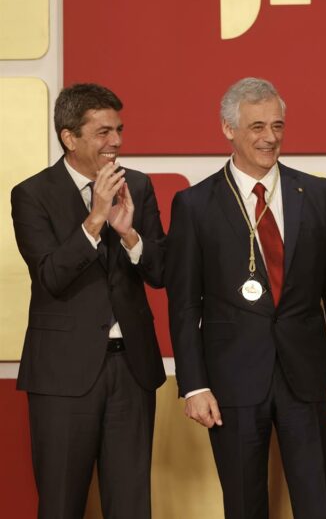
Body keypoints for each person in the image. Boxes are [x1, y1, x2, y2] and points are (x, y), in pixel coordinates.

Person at [166, 77, 326, 519]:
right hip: (230, 381)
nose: (269, 137)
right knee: (243, 505)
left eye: (277, 125)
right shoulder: (194, 204)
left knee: (321, 504)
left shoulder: (317, 193)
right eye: (256, 127)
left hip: (307, 377)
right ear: (228, 129)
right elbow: (184, 305)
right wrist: (194, 384)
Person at [10, 83, 166, 518]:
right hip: (62, 375)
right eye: (102, 132)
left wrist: (130, 235)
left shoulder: (138, 186)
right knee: (61, 504)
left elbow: (161, 272)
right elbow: (51, 277)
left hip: (132, 370)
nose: (116, 141)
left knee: (131, 506)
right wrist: (96, 219)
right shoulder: (31, 194)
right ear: (69, 137)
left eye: (119, 130)